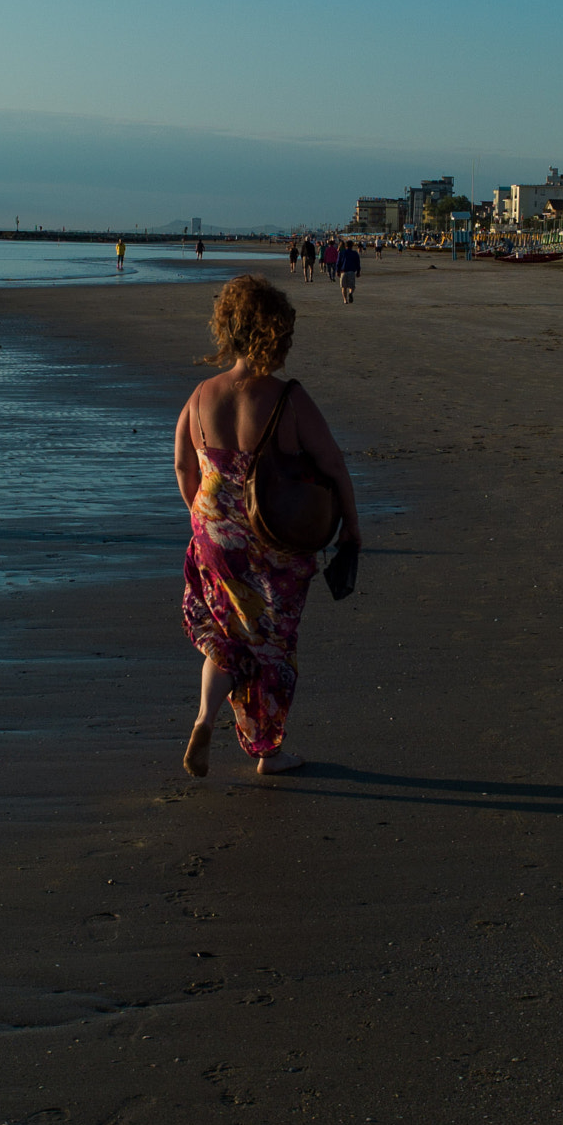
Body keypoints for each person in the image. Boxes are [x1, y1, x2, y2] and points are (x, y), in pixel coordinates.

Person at [175, 275, 361, 777]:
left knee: (227, 634)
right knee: (272, 640)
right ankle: (268, 753)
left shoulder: (200, 395)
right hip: (271, 536)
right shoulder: (287, 399)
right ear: (275, 332)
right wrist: (353, 530)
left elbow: (182, 467)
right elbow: (335, 465)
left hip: (213, 529)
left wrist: (205, 523)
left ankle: (204, 719)